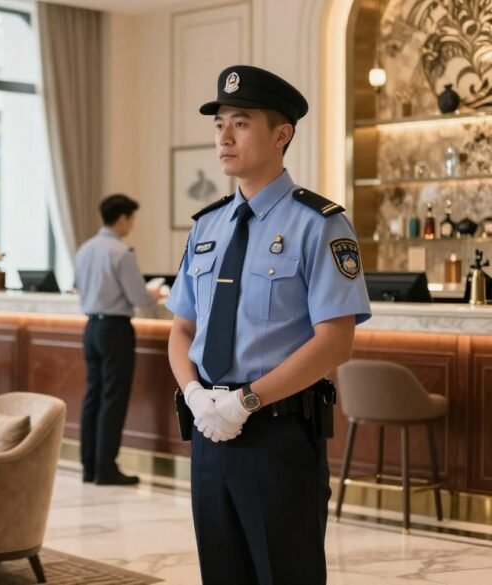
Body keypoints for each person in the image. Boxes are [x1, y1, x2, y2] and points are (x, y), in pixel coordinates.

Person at [165, 65, 372, 584]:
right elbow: (181, 330)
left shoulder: (318, 223)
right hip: (210, 429)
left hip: (278, 436)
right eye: (218, 125)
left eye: (241, 122)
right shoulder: (208, 225)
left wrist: (247, 400)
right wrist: (193, 394)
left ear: (282, 134)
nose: (224, 136)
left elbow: (336, 342)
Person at [74, 194, 158, 486]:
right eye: (131, 218)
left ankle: (89, 467)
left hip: (91, 329)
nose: (132, 224)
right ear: (121, 218)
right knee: (113, 399)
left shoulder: (85, 249)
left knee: (93, 397)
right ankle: (106, 468)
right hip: (115, 330)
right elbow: (139, 298)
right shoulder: (121, 252)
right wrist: (155, 294)